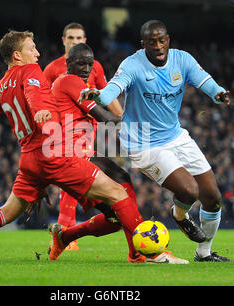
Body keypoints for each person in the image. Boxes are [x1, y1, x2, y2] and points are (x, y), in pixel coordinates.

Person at [0, 30, 143, 264]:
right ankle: (148, 254)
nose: (37, 53)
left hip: (29, 161)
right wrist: (42, 114)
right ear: (17, 55)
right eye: (32, 48)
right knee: (119, 193)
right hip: (54, 153)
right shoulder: (30, 71)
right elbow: (33, 94)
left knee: (5, 212)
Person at [80, 20, 232, 262]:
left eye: (162, 41)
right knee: (189, 190)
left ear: (168, 40)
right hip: (142, 142)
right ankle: (180, 215)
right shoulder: (132, 64)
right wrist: (99, 96)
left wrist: (218, 93)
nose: (158, 46)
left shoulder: (182, 60)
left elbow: (205, 81)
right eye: (152, 42)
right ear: (144, 44)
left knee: (213, 197)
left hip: (175, 135)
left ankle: (203, 253)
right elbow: (113, 88)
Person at [48, 43, 188, 264]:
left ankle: (65, 236)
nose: (86, 68)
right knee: (122, 191)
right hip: (72, 157)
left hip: (76, 154)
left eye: (89, 64)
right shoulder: (70, 82)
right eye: (80, 63)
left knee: (116, 216)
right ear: (68, 64)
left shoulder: (70, 84)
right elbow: (105, 118)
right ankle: (144, 252)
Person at [44, 23, 124, 250]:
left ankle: (65, 233)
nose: (75, 41)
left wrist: (121, 118)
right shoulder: (53, 69)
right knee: (77, 177)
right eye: (71, 37)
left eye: (79, 37)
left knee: (82, 182)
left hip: (92, 128)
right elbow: (41, 98)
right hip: (64, 131)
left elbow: (107, 93)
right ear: (63, 40)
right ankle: (66, 230)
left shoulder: (94, 66)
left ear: (85, 39)